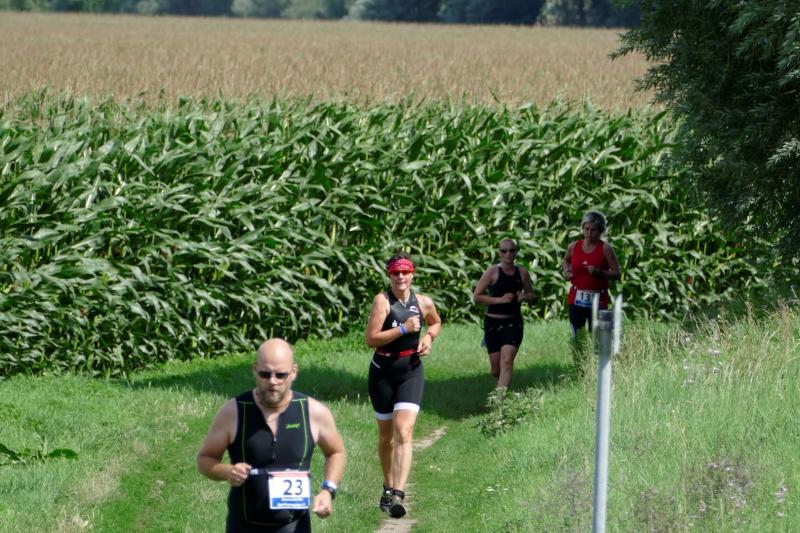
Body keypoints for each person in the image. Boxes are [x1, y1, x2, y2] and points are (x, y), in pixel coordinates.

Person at [197, 338, 346, 533]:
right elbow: (205, 459)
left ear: (294, 372)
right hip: (244, 527)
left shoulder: (312, 412)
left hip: (294, 527)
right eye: (265, 374)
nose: (272, 381)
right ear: (254, 370)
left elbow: (336, 452)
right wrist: (227, 471)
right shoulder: (234, 411)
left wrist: (328, 490)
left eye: (281, 375)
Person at [364, 252, 442, 519]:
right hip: (382, 373)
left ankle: (398, 494)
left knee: (404, 430)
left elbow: (436, 322)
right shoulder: (382, 301)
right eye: (395, 272)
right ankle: (387, 487)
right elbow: (371, 339)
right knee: (386, 437)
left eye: (405, 272)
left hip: (411, 370)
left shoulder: (423, 302)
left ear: (412, 274)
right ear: (389, 275)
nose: (401, 277)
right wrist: (404, 329)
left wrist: (429, 337)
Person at [473, 238, 535, 390]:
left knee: (507, 362)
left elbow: (533, 297)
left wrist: (526, 297)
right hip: (493, 323)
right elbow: (477, 297)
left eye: (511, 251)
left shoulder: (522, 273)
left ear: (516, 253)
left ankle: (499, 400)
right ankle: (505, 387)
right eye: (504, 251)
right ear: (499, 253)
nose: (508, 254)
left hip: (513, 323)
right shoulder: (492, 272)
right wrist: (499, 300)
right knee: (496, 370)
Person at [562, 211, 621, 363]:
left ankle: (596, 367)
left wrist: (600, 273)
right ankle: (579, 365)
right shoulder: (574, 246)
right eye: (586, 229)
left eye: (593, 230)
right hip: (576, 299)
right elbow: (566, 261)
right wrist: (567, 271)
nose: (589, 233)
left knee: (596, 338)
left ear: (600, 231)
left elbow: (617, 274)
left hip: (598, 300)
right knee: (578, 335)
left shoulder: (605, 249)